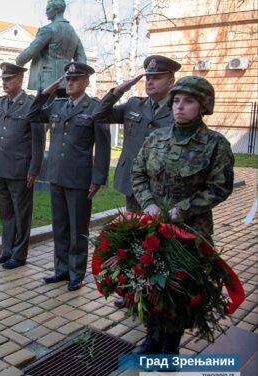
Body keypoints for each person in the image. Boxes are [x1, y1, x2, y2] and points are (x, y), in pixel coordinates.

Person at [131, 76, 235, 355]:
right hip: (153, 229)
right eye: (176, 101)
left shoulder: (215, 144)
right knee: (152, 283)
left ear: (203, 106)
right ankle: (152, 337)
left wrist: (182, 209)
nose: (180, 107)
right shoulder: (156, 137)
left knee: (180, 288)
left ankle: (170, 344)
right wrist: (149, 203)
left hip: (190, 233)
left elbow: (220, 186)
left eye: (188, 101)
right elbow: (138, 174)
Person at [93, 55, 181, 308]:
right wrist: (119, 90)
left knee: (158, 240)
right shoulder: (134, 104)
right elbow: (99, 114)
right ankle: (133, 290)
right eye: (148, 77)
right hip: (133, 183)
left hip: (161, 189)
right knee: (135, 238)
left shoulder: (178, 107)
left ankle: (156, 292)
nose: (150, 82)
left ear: (171, 81)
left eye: (157, 77)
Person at [28, 62, 111, 290]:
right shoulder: (57, 106)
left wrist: (98, 177)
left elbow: (103, 146)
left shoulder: (94, 107)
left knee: (78, 228)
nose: (70, 82)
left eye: (75, 79)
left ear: (86, 82)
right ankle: (61, 270)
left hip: (79, 177)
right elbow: (32, 114)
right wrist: (47, 92)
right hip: (56, 174)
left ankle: (76, 273)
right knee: (60, 226)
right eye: (68, 79)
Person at [0, 63, 45, 269]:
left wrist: (34, 169)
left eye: (8, 79)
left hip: (20, 170)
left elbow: (38, 141)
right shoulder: (0, 102)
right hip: (0, 167)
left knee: (21, 214)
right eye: (3, 79)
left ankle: (19, 255)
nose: (4, 82)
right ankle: (7, 251)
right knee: (6, 213)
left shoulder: (31, 104)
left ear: (20, 80)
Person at [15, 0, 86, 92]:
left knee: (42, 106)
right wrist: (77, 78)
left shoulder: (48, 29)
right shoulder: (73, 33)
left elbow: (32, 50)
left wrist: (19, 61)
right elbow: (82, 60)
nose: (46, 12)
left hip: (47, 82)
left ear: (56, 10)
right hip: (67, 82)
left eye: (48, 9)